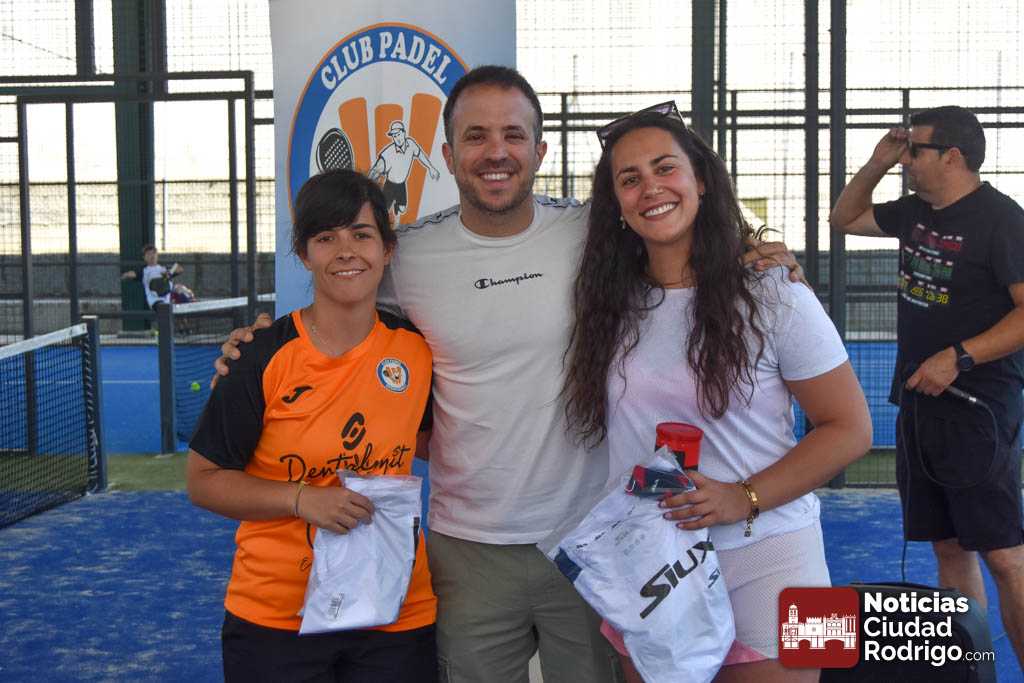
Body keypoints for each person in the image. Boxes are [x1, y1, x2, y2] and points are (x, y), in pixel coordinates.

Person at [217, 66, 805, 683]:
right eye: (476, 136)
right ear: (448, 156)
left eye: (513, 135)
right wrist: (255, 343)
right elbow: (335, 295)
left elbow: (677, 234)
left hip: (594, 537)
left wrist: (755, 250)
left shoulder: (596, 233)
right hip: (468, 548)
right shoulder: (407, 254)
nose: (496, 152)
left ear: (540, 151)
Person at [561, 103, 872, 682]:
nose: (650, 188)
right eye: (630, 179)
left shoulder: (776, 289)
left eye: (665, 168)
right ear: (617, 205)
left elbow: (852, 430)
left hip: (782, 554)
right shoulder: (608, 303)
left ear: (701, 180)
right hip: (651, 566)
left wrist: (742, 497)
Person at [187, 168, 437, 682]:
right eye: (326, 238)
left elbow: (431, 442)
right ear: (304, 255)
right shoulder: (260, 356)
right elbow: (204, 481)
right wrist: (302, 499)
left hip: (395, 610)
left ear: (387, 249)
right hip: (279, 618)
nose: (346, 251)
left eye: (361, 235)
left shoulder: (417, 350)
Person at [830, 105, 1024, 668]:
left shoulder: (1002, 219)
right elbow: (844, 218)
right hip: (919, 405)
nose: (907, 161)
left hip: (977, 411)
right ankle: (974, 672)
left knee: (1004, 557)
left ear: (953, 157)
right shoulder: (915, 211)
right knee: (948, 546)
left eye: (915, 150)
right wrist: (876, 161)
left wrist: (959, 357)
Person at [368, 120, 442, 217]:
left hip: (401, 184)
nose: (397, 138)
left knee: (402, 209)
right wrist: (367, 186)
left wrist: (431, 168)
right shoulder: (387, 153)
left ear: (404, 133)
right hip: (390, 186)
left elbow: (420, 154)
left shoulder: (411, 144)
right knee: (384, 212)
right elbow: (376, 170)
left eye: (398, 134)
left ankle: (397, 206)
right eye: (394, 136)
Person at [120, 244, 187, 309]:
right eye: (149, 254)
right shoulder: (144, 271)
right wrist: (126, 275)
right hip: (156, 301)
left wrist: (169, 273)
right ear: (144, 257)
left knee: (183, 293)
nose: (152, 256)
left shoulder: (164, 268)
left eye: (154, 253)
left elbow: (179, 269)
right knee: (164, 308)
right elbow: (133, 274)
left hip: (169, 298)